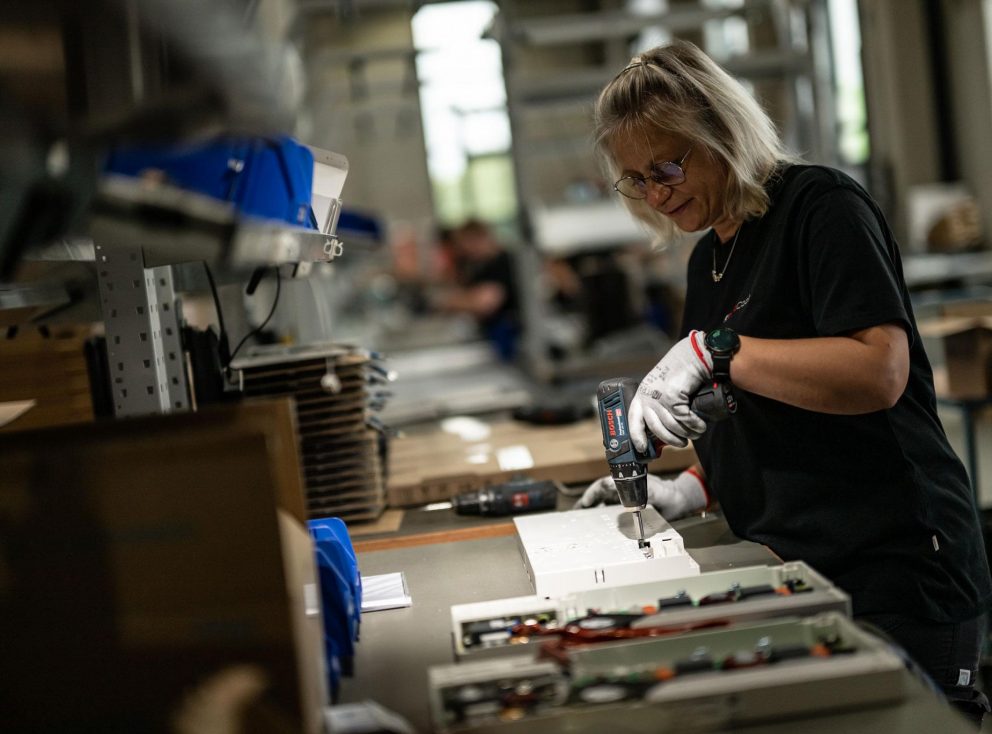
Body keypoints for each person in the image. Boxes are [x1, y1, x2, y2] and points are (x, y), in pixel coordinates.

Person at [574, 39, 992, 726]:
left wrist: (715, 348)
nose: (655, 193)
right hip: (804, 563)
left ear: (721, 131)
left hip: (895, 565)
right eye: (635, 180)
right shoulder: (710, 256)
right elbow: (756, 411)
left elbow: (878, 373)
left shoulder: (820, 208)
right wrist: (691, 488)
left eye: (667, 166)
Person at [435, 218, 520, 360]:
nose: (464, 250)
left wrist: (453, 302)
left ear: (478, 239)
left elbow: (484, 303)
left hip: (511, 338)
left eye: (465, 243)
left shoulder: (503, 262)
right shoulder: (479, 266)